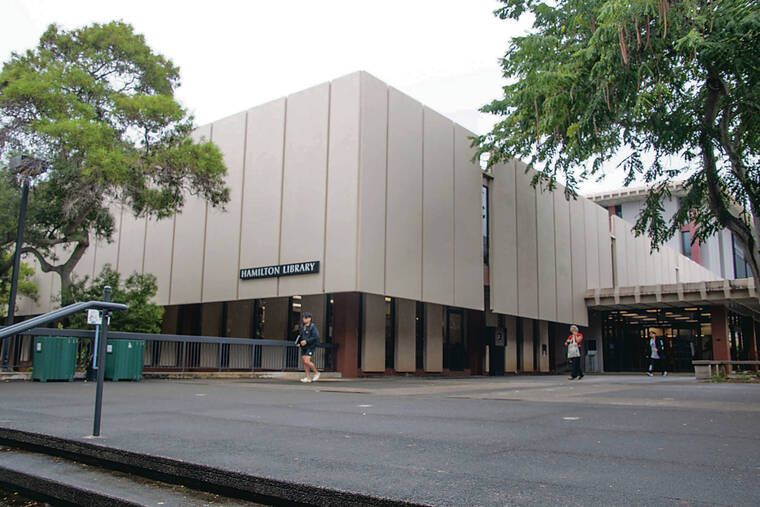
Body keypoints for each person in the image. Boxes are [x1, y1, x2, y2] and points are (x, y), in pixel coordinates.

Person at [297, 312, 320, 383]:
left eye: (306, 318)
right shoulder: (302, 326)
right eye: (303, 318)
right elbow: (301, 335)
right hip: (304, 346)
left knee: (307, 361)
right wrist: (298, 342)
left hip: (310, 346)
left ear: (309, 319)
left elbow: (315, 337)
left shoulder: (312, 327)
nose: (304, 319)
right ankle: (308, 377)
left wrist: (306, 341)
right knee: (305, 362)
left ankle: (316, 372)